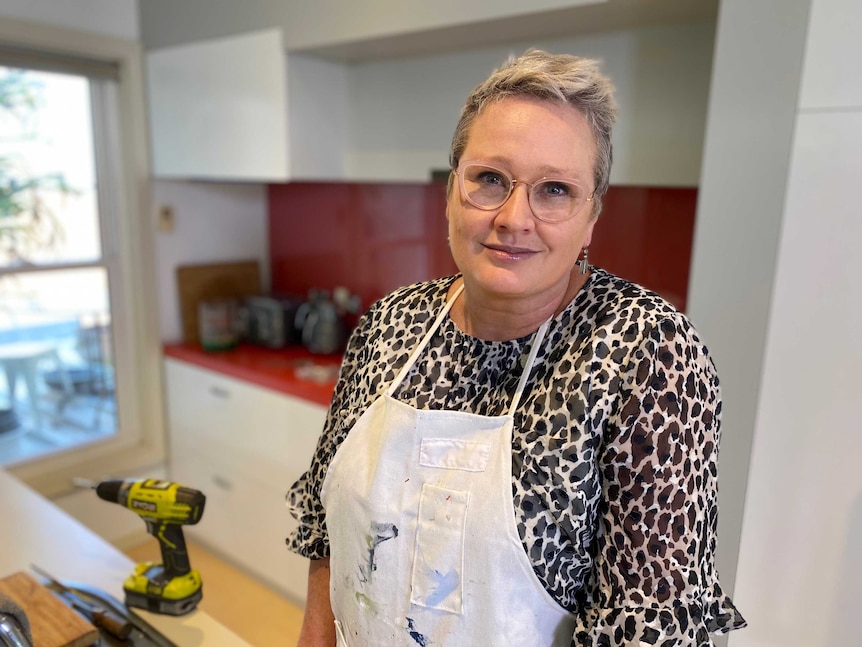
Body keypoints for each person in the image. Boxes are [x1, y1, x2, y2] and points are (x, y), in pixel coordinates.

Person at [287, 49, 747, 646]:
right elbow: (329, 532)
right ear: (451, 191)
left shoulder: (646, 353)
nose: (513, 217)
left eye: (555, 190)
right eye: (489, 180)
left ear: (591, 218)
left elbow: (648, 631)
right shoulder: (390, 323)